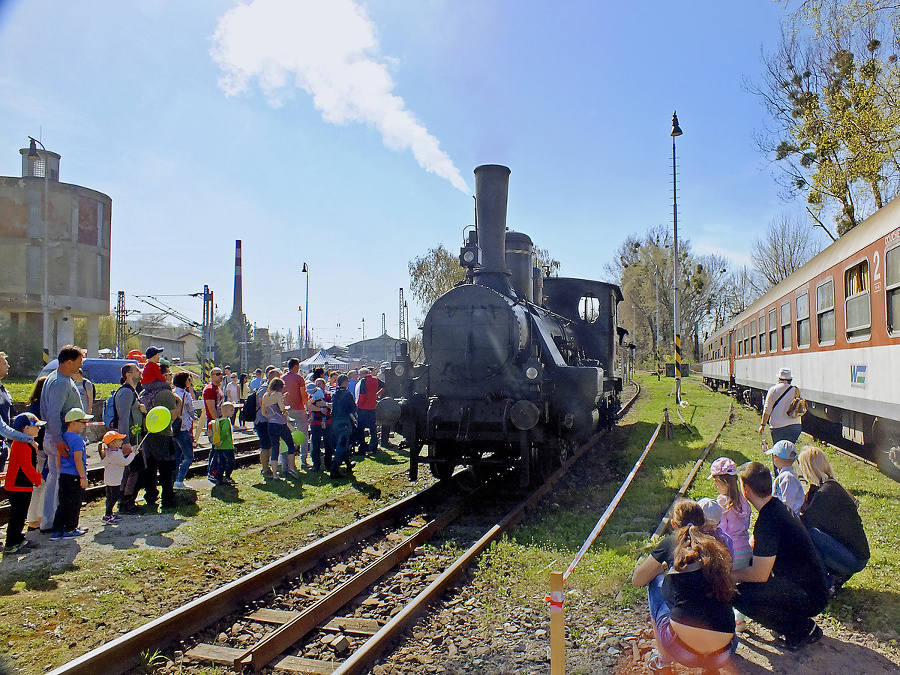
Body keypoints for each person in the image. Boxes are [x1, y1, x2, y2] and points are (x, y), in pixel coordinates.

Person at [632, 499, 737, 674]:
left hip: (683, 651)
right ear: (703, 522)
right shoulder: (718, 545)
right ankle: (710, 667)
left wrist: (665, 566)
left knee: (655, 581)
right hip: (725, 651)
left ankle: (662, 662)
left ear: (674, 524)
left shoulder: (671, 543)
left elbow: (638, 579)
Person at [732, 461, 829, 650]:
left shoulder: (768, 521)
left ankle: (803, 629)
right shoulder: (776, 507)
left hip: (809, 596)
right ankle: (795, 622)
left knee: (737, 595)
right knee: (750, 586)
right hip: (813, 586)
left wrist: (728, 576)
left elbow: (760, 574)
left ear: (746, 489)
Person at [797, 447, 869, 591]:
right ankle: (834, 575)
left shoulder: (826, 493)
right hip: (855, 553)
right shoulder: (830, 486)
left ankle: (826, 583)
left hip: (854, 559)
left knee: (808, 534)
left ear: (808, 468)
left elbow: (805, 523)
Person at [40, 345, 86, 534]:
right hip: (60, 437)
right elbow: (53, 412)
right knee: (63, 481)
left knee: (54, 478)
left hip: (56, 435)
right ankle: (62, 524)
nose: (80, 365)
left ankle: (49, 521)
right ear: (69, 361)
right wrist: (59, 439)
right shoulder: (60, 382)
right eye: (79, 361)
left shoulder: (56, 378)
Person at [709, 456, 752, 632]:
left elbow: (720, 529)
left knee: (725, 584)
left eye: (716, 483)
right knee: (740, 585)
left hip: (730, 551)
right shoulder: (743, 501)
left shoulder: (722, 503)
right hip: (745, 549)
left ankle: (725, 618)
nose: (716, 486)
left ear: (722, 482)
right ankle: (740, 620)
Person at [3, 413, 44, 554]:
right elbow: (26, 467)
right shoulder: (22, 445)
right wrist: (37, 480)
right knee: (18, 515)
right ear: (26, 428)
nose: (38, 429)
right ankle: (11, 543)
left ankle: (18, 538)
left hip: (21, 485)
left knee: (21, 514)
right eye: (36, 426)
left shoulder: (24, 443)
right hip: (18, 485)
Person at [141, 363, 180, 510]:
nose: (170, 377)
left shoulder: (144, 392)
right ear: (161, 376)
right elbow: (173, 414)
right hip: (163, 435)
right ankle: (168, 498)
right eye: (169, 374)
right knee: (166, 468)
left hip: (147, 435)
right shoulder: (165, 393)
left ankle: (150, 496)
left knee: (149, 469)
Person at [51, 407, 92, 540]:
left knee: (63, 503)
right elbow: (78, 459)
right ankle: (70, 528)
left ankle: (57, 530)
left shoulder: (63, 438)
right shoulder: (77, 440)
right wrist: (83, 476)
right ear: (73, 423)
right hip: (75, 475)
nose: (85, 425)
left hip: (64, 474)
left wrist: (60, 469)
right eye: (83, 422)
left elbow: (59, 456)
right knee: (74, 503)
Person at [115, 364, 147, 514]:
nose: (139, 372)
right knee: (134, 470)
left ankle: (125, 499)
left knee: (131, 470)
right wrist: (125, 441)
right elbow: (123, 418)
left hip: (136, 437)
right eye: (136, 370)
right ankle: (127, 500)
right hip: (131, 438)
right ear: (128, 374)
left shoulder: (132, 391)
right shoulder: (126, 393)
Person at [0, 351, 37, 475]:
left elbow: (9, 419)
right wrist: (27, 439)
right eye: (4, 363)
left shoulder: (3, 389)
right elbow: (2, 428)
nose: (8, 366)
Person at [262, 377, 297, 478]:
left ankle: (274, 473)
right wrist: (286, 409)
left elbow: (264, 413)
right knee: (290, 444)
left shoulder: (265, 396)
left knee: (275, 448)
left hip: (270, 424)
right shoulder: (278, 394)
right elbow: (282, 408)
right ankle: (291, 467)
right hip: (280, 424)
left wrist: (272, 417)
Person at [758, 367, 803, 445]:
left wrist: (763, 425)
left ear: (779, 378)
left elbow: (767, 409)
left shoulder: (773, 390)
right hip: (795, 426)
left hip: (778, 426)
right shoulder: (796, 390)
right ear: (790, 379)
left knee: (779, 450)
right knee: (790, 449)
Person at [25, 377, 47, 531]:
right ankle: (40, 518)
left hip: (35, 448)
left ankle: (32, 519)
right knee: (44, 483)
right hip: (42, 448)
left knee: (37, 486)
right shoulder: (42, 407)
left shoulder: (33, 406)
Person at [100, 430, 136, 524]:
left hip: (109, 479)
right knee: (114, 497)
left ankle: (109, 513)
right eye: (119, 440)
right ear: (112, 443)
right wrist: (133, 454)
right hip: (114, 480)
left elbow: (120, 458)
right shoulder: (114, 454)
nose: (121, 442)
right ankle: (108, 515)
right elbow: (125, 462)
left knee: (109, 497)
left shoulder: (110, 452)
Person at [282, 358, 309, 472]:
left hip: (286, 410)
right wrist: (307, 404)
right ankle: (303, 460)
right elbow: (303, 394)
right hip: (299, 409)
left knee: (287, 437)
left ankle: (286, 462)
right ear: (296, 366)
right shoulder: (299, 379)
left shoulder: (282, 378)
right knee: (304, 435)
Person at [172, 372, 196, 490]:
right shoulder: (186, 395)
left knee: (177, 455)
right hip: (184, 427)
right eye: (189, 379)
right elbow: (191, 410)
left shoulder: (172, 392)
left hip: (174, 428)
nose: (190, 381)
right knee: (189, 456)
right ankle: (179, 480)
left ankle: (174, 479)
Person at [330, 375, 357, 479]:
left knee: (342, 444)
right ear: (345, 382)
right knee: (341, 446)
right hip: (344, 423)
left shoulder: (334, 394)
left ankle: (349, 465)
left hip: (335, 423)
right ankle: (334, 469)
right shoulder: (348, 394)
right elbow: (353, 409)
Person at [766, 440, 804, 514]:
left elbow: (787, 503)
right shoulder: (788, 475)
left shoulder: (787, 477)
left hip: (788, 518)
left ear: (775, 457)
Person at [355, 367, 383, 456]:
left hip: (363, 407)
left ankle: (362, 448)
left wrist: (357, 405)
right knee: (373, 428)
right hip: (372, 407)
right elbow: (385, 386)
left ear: (362, 374)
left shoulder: (364, 381)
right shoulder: (375, 379)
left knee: (360, 428)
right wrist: (377, 394)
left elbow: (362, 395)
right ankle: (374, 446)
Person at [208, 402, 236, 485]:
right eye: (231, 410)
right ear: (226, 411)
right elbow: (224, 432)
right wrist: (222, 440)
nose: (233, 412)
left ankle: (219, 478)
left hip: (218, 447)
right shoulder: (226, 421)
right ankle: (227, 476)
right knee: (230, 461)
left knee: (221, 462)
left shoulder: (218, 421)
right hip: (227, 446)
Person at [308, 379, 333, 472]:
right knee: (315, 444)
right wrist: (321, 409)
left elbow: (332, 406)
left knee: (328, 444)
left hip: (327, 422)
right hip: (315, 423)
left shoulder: (328, 395)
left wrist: (325, 404)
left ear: (324, 384)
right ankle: (316, 464)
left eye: (320, 384)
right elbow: (309, 405)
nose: (318, 385)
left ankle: (328, 464)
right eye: (316, 384)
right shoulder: (312, 395)